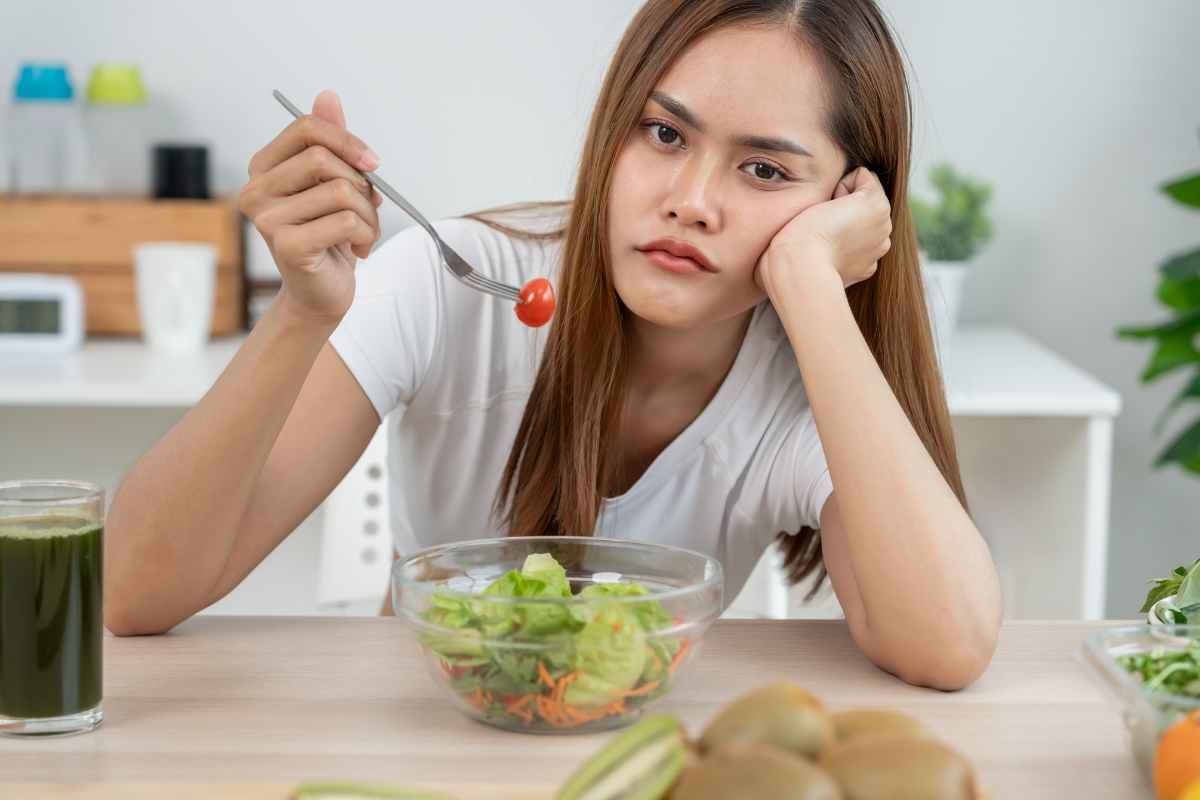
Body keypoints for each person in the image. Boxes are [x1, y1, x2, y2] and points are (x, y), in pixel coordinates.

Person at [105, 0, 1002, 690]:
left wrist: (811, 284)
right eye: (664, 133)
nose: (691, 198)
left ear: (849, 204)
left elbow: (948, 645)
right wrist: (303, 315)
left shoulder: (804, 383)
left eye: (764, 169)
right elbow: (131, 593)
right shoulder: (449, 283)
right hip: (422, 727)